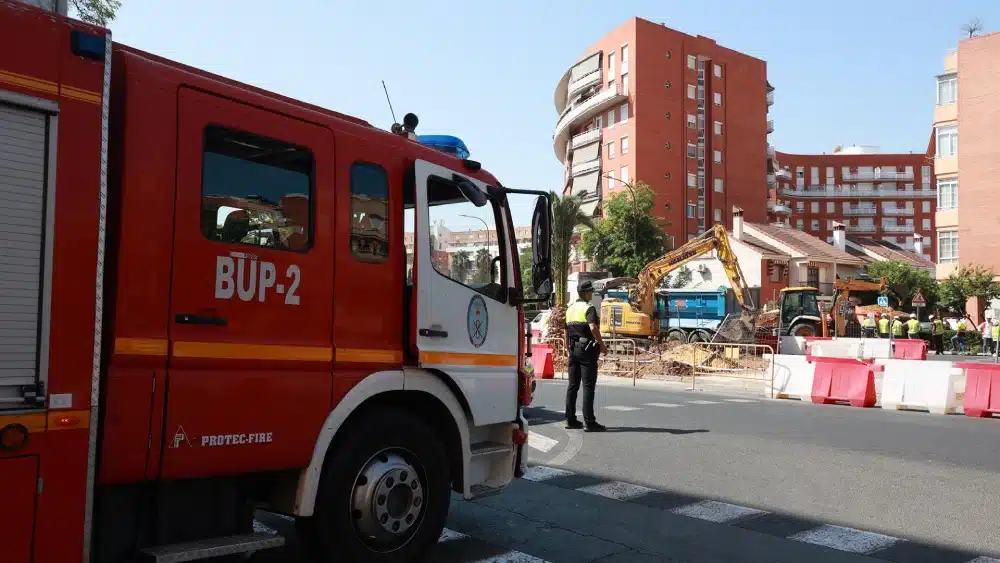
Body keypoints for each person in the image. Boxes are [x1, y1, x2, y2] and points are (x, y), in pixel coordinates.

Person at [564, 280, 606, 432]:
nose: (592, 295)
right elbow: (593, 327)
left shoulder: (570, 309)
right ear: (586, 293)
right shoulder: (589, 308)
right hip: (587, 351)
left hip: (573, 349)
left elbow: (566, 330)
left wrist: (567, 346)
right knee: (588, 387)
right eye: (591, 292)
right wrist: (601, 344)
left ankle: (570, 419)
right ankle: (589, 422)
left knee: (572, 386)